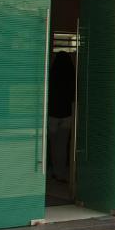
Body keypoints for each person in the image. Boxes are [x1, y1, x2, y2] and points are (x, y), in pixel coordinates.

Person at [46, 52, 76, 184]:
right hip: (67, 116)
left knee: (51, 145)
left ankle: (50, 170)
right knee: (62, 146)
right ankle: (61, 173)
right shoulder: (72, 76)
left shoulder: (51, 75)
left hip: (52, 115)